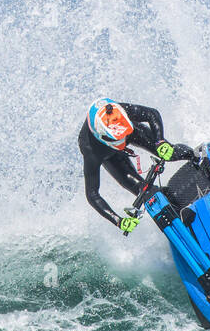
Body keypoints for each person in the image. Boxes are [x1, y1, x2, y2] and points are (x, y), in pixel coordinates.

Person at [79, 99, 197, 233]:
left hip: (133, 131)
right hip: (110, 156)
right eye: (119, 139)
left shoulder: (121, 110)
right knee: (145, 192)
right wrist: (118, 221)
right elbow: (92, 194)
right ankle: (176, 214)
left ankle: (199, 157)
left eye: (124, 136)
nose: (123, 141)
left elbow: (152, 114)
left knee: (169, 153)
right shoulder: (91, 151)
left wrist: (160, 141)